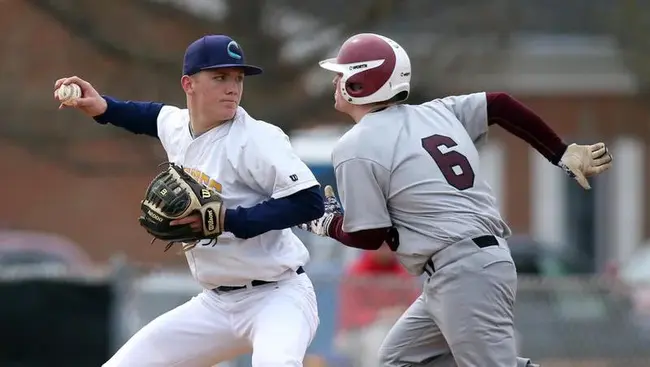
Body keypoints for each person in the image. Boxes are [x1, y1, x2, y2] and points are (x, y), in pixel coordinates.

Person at [300, 33, 613, 367]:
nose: (335, 79)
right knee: (401, 361)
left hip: (463, 270)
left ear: (360, 82)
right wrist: (559, 151)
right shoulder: (437, 112)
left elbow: (370, 234)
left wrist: (327, 223)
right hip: (462, 267)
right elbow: (501, 104)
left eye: (342, 73)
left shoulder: (356, 145)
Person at [54, 34, 324, 367]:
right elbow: (148, 116)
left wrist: (230, 220)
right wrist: (103, 107)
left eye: (238, 78)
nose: (233, 87)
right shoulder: (179, 126)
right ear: (188, 84)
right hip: (216, 305)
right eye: (220, 77)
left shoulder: (257, 139)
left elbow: (310, 202)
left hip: (278, 296)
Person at [335, 243, 419, 367]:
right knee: (376, 338)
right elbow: (351, 316)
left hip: (395, 328)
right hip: (358, 333)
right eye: (380, 245)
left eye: (388, 244)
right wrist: (381, 315)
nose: (385, 250)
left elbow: (415, 309)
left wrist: (398, 314)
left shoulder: (404, 272)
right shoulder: (356, 272)